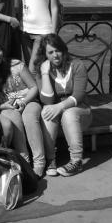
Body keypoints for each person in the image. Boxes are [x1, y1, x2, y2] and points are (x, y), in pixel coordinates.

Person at [0, 37, 46, 177]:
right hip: (6, 107)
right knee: (13, 118)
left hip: (29, 101)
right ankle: (24, 161)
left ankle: (39, 162)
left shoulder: (16, 65)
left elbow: (33, 88)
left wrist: (24, 102)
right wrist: (3, 105)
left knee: (29, 117)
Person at [36, 34, 91, 177]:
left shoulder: (77, 65)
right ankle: (50, 159)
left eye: (57, 50)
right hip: (56, 114)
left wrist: (59, 106)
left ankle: (76, 161)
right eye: (50, 52)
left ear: (63, 50)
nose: (55, 55)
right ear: (45, 55)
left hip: (80, 113)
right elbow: (47, 101)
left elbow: (79, 96)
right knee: (46, 111)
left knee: (69, 113)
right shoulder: (42, 71)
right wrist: (44, 73)